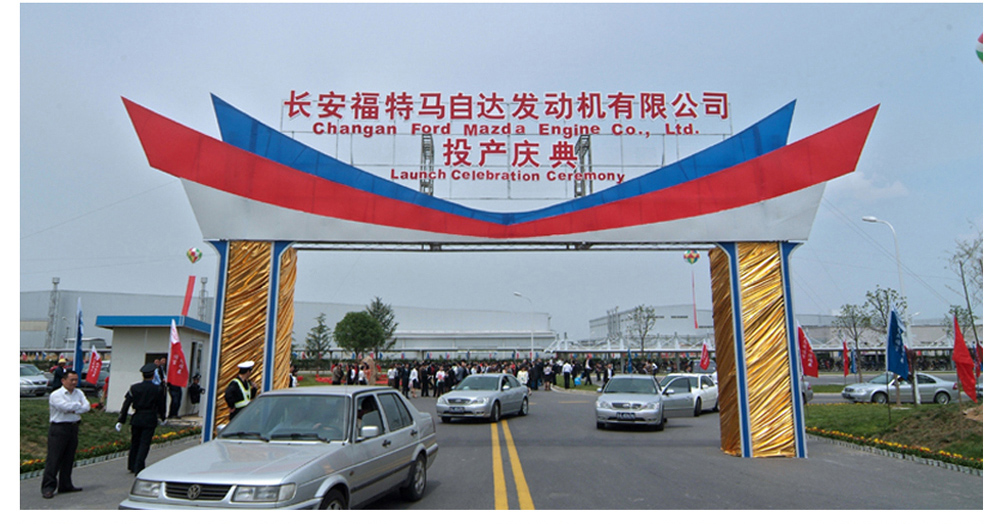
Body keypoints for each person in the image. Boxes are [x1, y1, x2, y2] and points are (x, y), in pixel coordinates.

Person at [41, 370, 90, 498]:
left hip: (73, 427)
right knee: (54, 459)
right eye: (71, 380)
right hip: (59, 428)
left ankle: (65, 484)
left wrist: (74, 408)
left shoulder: (79, 393)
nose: (74, 382)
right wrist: (77, 406)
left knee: (69, 458)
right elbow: (64, 407)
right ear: (63, 381)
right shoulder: (56, 395)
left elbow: (87, 407)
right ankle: (48, 487)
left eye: (76, 380)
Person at [115, 363, 166, 475]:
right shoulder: (157, 389)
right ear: (153, 375)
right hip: (150, 418)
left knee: (135, 442)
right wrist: (163, 417)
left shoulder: (134, 388)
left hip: (137, 417)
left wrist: (121, 420)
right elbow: (161, 405)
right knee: (144, 443)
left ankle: (131, 465)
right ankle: (139, 466)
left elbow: (126, 404)